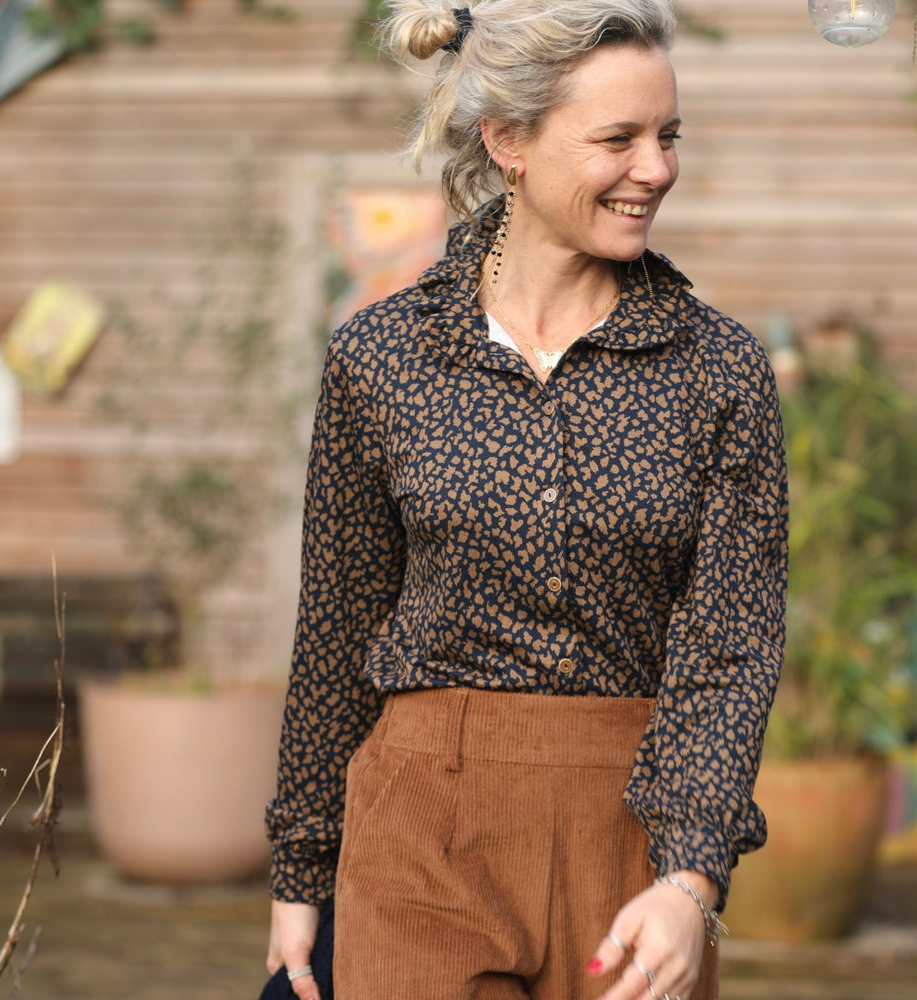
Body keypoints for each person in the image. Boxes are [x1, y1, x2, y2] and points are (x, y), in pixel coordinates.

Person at [265, 2, 788, 999]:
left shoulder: (718, 371)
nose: (656, 169)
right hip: (422, 827)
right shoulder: (383, 356)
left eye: (668, 135)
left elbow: (729, 648)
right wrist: (301, 871)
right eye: (618, 139)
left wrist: (689, 882)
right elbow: (337, 621)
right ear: (508, 141)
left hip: (631, 839)